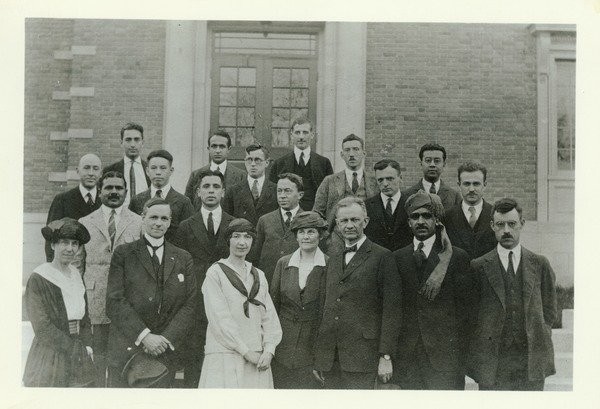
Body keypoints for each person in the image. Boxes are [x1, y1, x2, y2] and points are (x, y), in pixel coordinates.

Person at [106, 198, 197, 387]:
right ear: (143, 218)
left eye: (164, 218)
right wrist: (145, 336)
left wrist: (165, 339)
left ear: (170, 221)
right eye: (153, 217)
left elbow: (190, 304)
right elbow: (115, 301)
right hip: (129, 348)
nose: (158, 223)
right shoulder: (124, 254)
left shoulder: (183, 257)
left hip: (165, 352)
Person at [312, 197, 401, 389]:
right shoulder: (333, 259)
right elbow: (326, 307)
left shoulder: (382, 257)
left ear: (365, 222)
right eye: (344, 221)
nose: (349, 225)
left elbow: (391, 310)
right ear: (337, 224)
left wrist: (386, 356)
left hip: (363, 357)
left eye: (355, 220)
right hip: (331, 359)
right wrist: (320, 357)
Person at [468, 198, 557, 391]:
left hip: (530, 359)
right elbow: (471, 313)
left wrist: (539, 333)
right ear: (492, 226)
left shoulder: (540, 263)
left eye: (512, 224)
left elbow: (549, 310)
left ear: (522, 224)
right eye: (500, 224)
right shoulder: (479, 266)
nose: (506, 230)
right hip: (494, 360)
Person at [391, 190, 472, 390]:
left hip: (445, 360)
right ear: (408, 222)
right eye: (415, 216)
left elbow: (466, 312)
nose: (420, 221)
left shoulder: (457, 257)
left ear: (437, 220)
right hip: (408, 359)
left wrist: (460, 357)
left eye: (427, 216)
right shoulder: (396, 258)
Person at [199, 218, 282, 388]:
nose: (242, 242)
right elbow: (219, 318)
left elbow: (269, 317)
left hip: (257, 358)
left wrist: (269, 350)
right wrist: (245, 351)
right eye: (236, 236)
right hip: (226, 354)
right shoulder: (215, 273)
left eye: (247, 237)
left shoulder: (259, 274)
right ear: (228, 239)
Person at [78, 170, 143, 387]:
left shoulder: (138, 221)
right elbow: (78, 264)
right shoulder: (85, 221)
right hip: (95, 298)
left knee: (121, 359)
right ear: (99, 191)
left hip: (126, 299)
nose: (114, 192)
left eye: (119, 188)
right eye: (108, 188)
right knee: (98, 356)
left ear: (126, 192)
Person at [173, 169, 235, 388]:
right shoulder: (185, 226)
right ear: (198, 192)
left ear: (223, 192)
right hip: (196, 302)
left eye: (216, 187)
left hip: (227, 303)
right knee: (195, 359)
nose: (211, 191)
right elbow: (178, 268)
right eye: (206, 187)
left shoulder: (235, 225)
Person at [23, 218, 95, 387]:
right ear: (53, 245)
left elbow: (84, 317)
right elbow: (42, 326)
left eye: (75, 243)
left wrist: (87, 345)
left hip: (79, 351)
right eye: (64, 242)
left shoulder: (76, 274)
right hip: (51, 354)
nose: (70, 248)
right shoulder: (40, 277)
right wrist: (74, 349)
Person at [269, 211, 328, 389]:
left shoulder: (329, 264)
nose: (306, 236)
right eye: (301, 232)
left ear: (320, 234)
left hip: (312, 348)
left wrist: (321, 358)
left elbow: (328, 312)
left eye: (311, 231)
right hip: (283, 347)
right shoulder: (283, 263)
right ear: (296, 235)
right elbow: (273, 307)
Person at [45, 153, 102, 261]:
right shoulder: (62, 200)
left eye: (95, 169)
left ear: (101, 173)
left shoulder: (104, 202)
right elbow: (50, 238)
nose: (91, 173)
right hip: (69, 264)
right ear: (78, 171)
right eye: (86, 168)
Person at [268, 117, 333, 211]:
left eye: (305, 132)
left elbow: (330, 194)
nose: (301, 137)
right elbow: (272, 195)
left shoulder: (324, 163)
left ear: (312, 135)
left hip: (315, 216)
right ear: (291, 135)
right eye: (297, 132)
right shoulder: (279, 164)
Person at [129, 149, 194, 242]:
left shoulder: (183, 202)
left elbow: (189, 235)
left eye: (163, 168)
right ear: (147, 171)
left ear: (171, 171)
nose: (158, 172)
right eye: (154, 168)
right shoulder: (136, 200)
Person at [313, 134, 378, 223]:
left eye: (356, 149)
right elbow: (317, 212)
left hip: (367, 233)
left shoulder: (375, 181)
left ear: (364, 153)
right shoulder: (329, 181)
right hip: (337, 234)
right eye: (347, 150)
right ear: (342, 155)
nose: (351, 154)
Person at [254, 173, 304, 284]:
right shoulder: (264, 220)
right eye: (279, 191)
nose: (282, 195)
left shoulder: (307, 220)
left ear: (300, 195)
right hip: (268, 281)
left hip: (296, 282)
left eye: (287, 191)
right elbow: (255, 255)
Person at [444, 162, 496, 260]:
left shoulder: (495, 214)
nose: (471, 189)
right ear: (459, 185)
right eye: (466, 184)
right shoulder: (447, 217)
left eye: (476, 184)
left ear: (484, 185)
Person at [185, 130, 246, 211]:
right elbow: (188, 205)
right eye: (214, 146)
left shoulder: (241, 175)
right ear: (208, 149)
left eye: (222, 146)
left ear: (229, 149)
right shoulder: (196, 175)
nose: (218, 151)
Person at [222, 144, 278, 226]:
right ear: (245, 161)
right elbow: (226, 220)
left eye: (257, 160)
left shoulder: (276, 190)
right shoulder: (233, 191)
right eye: (249, 159)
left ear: (267, 162)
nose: (252, 164)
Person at [364, 159, 412, 252]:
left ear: (400, 178)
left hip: (405, 261)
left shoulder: (411, 203)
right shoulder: (367, 206)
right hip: (377, 262)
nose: (385, 184)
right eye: (380, 180)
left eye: (390, 179)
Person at [403, 143, 461, 213]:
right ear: (421, 163)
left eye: (437, 161)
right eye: (428, 160)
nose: (432, 164)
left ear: (444, 164)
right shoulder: (407, 194)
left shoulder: (454, 196)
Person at [103, 122, 150, 205]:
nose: (132, 145)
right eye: (128, 140)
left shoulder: (150, 169)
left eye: (136, 140)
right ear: (121, 143)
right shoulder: (110, 170)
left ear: (142, 142)